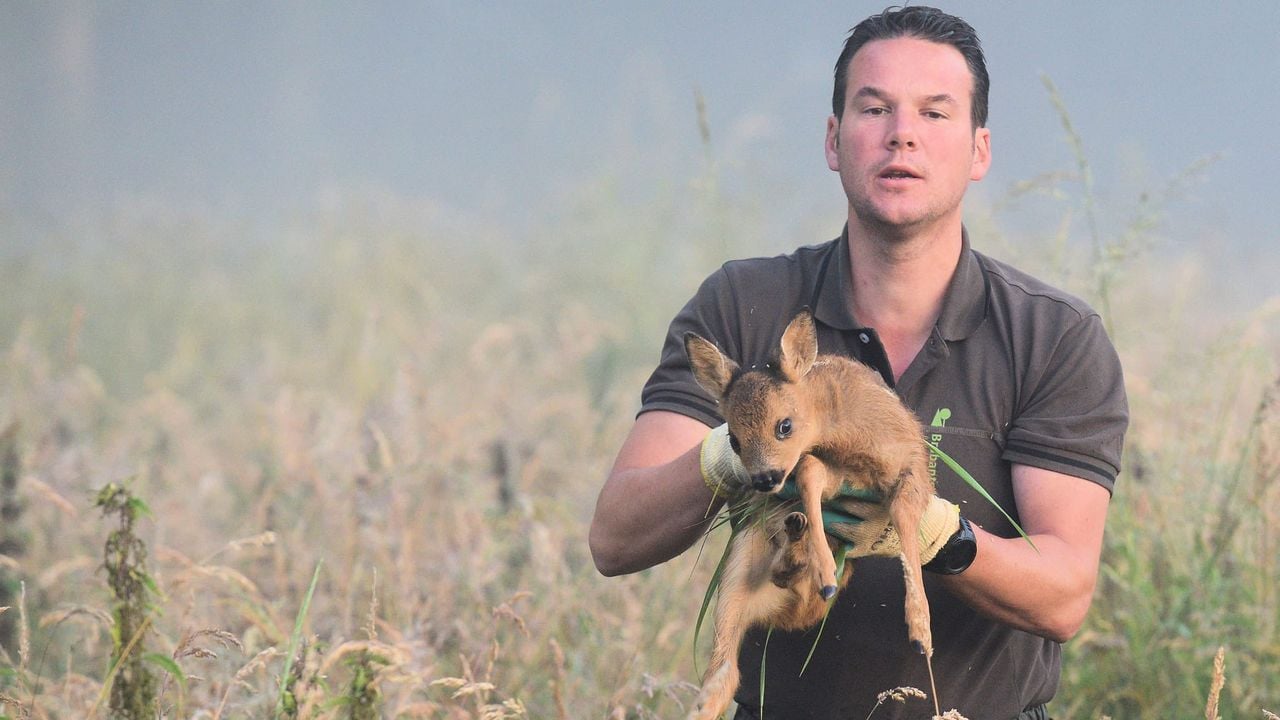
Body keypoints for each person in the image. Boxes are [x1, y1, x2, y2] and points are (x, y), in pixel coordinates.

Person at [588, 6, 1129, 720]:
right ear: (835, 140)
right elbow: (615, 535)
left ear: (979, 150)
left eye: (936, 114)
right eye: (874, 107)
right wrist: (738, 455)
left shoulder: (1053, 336)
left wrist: (937, 534)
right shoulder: (745, 303)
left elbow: (1064, 596)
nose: (902, 132)